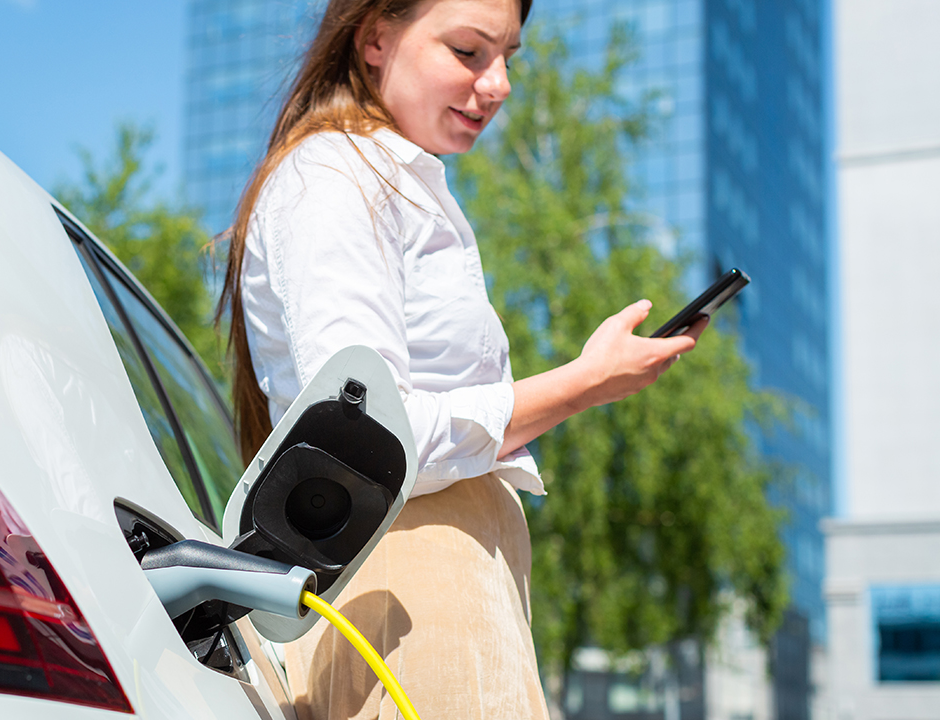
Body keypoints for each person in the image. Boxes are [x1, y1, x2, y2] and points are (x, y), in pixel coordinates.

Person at [217, 0, 707, 716]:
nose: (499, 82)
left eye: (509, 55)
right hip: (414, 583)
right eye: (470, 52)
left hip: (439, 583)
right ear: (376, 37)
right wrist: (583, 383)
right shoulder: (334, 177)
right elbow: (366, 440)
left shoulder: (389, 181)